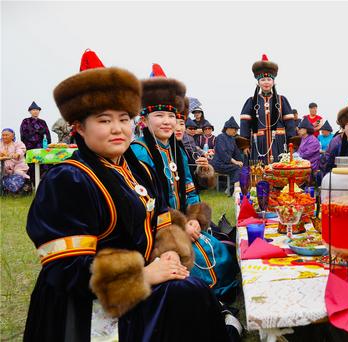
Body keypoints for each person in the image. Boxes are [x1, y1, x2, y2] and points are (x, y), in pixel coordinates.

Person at [24, 49, 237, 342]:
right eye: (103, 120)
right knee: (187, 293)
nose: (117, 129)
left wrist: (170, 252)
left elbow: (161, 217)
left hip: (148, 272)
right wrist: (145, 276)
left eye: (123, 119)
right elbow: (66, 270)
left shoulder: (135, 170)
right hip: (94, 301)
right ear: (78, 128)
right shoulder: (69, 179)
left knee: (192, 288)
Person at [131, 64, 199, 212]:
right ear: (144, 120)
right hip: (158, 228)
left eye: (171, 116)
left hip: (184, 220)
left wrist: (194, 217)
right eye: (159, 115)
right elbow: (144, 203)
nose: (167, 121)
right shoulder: (138, 151)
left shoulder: (177, 150)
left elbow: (190, 190)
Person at [240, 54, 296, 164]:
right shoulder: (251, 101)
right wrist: (245, 144)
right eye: (263, 80)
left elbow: (290, 125)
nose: (266, 82)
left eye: (269, 79)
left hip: (278, 142)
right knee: (259, 171)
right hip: (258, 143)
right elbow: (245, 125)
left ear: (273, 82)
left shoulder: (282, 100)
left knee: (279, 170)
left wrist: (292, 144)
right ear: (258, 82)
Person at [20, 101, 52, 181]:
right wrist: (37, 132)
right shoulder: (26, 121)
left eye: (37, 110)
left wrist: (47, 143)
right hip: (30, 147)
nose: (35, 111)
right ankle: (32, 184)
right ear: (30, 111)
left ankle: (44, 182)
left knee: (45, 164)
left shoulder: (42, 122)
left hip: (42, 147)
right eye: (33, 110)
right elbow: (24, 134)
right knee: (32, 166)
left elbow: (47, 134)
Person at [212, 117, 244, 195]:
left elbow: (237, 153)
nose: (236, 131)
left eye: (237, 130)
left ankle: (232, 188)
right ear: (228, 128)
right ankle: (235, 190)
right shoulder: (220, 137)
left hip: (227, 164)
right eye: (235, 129)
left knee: (241, 167)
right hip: (218, 164)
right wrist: (235, 162)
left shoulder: (233, 139)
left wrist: (241, 162)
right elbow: (223, 153)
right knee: (237, 167)